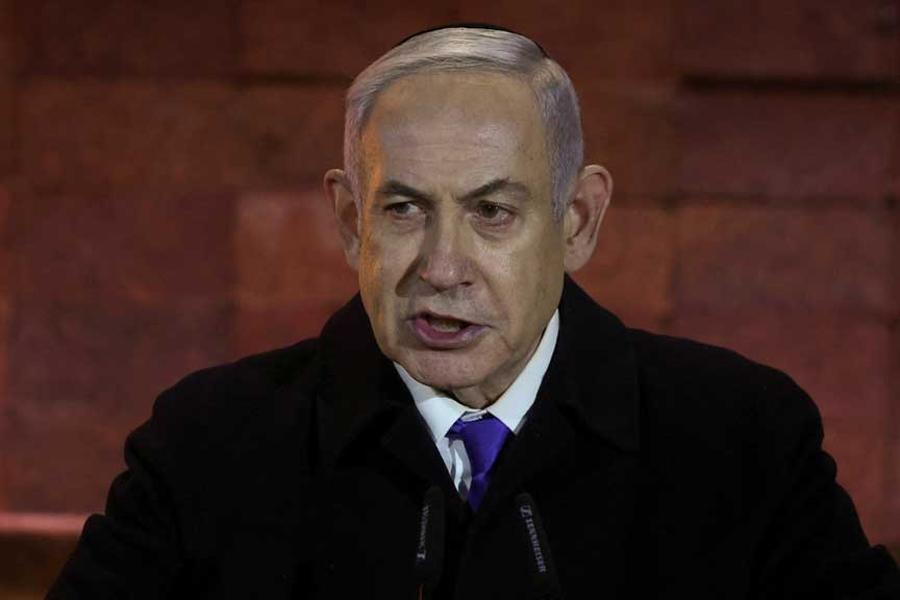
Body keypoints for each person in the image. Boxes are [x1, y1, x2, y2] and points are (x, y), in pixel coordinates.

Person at [48, 25, 899, 599]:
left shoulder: (744, 438)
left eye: (493, 212)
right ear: (350, 221)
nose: (442, 268)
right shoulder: (207, 444)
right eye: (403, 209)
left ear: (578, 222)